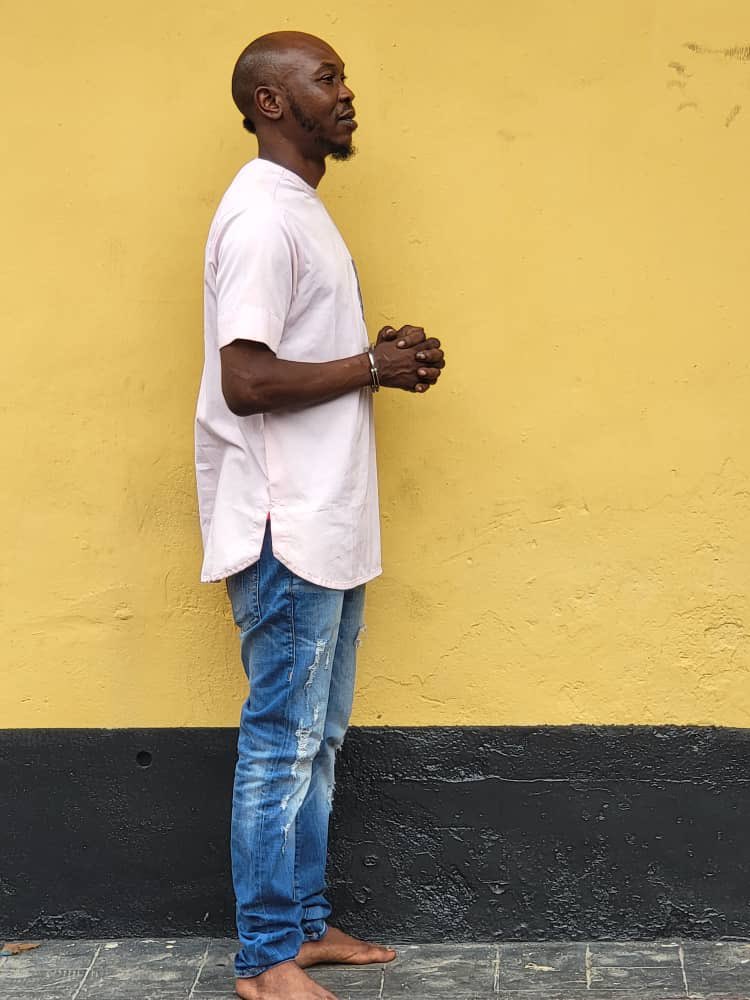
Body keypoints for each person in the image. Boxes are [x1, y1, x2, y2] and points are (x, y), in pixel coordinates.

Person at [195, 30, 446, 1000]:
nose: (345, 94)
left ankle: (300, 925)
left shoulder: (299, 209)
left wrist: (375, 358)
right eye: (326, 78)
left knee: (317, 738)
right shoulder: (263, 216)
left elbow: (295, 358)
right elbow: (247, 379)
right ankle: (265, 961)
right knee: (282, 740)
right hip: (285, 523)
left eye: (342, 77)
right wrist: (371, 365)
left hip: (324, 518)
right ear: (271, 102)